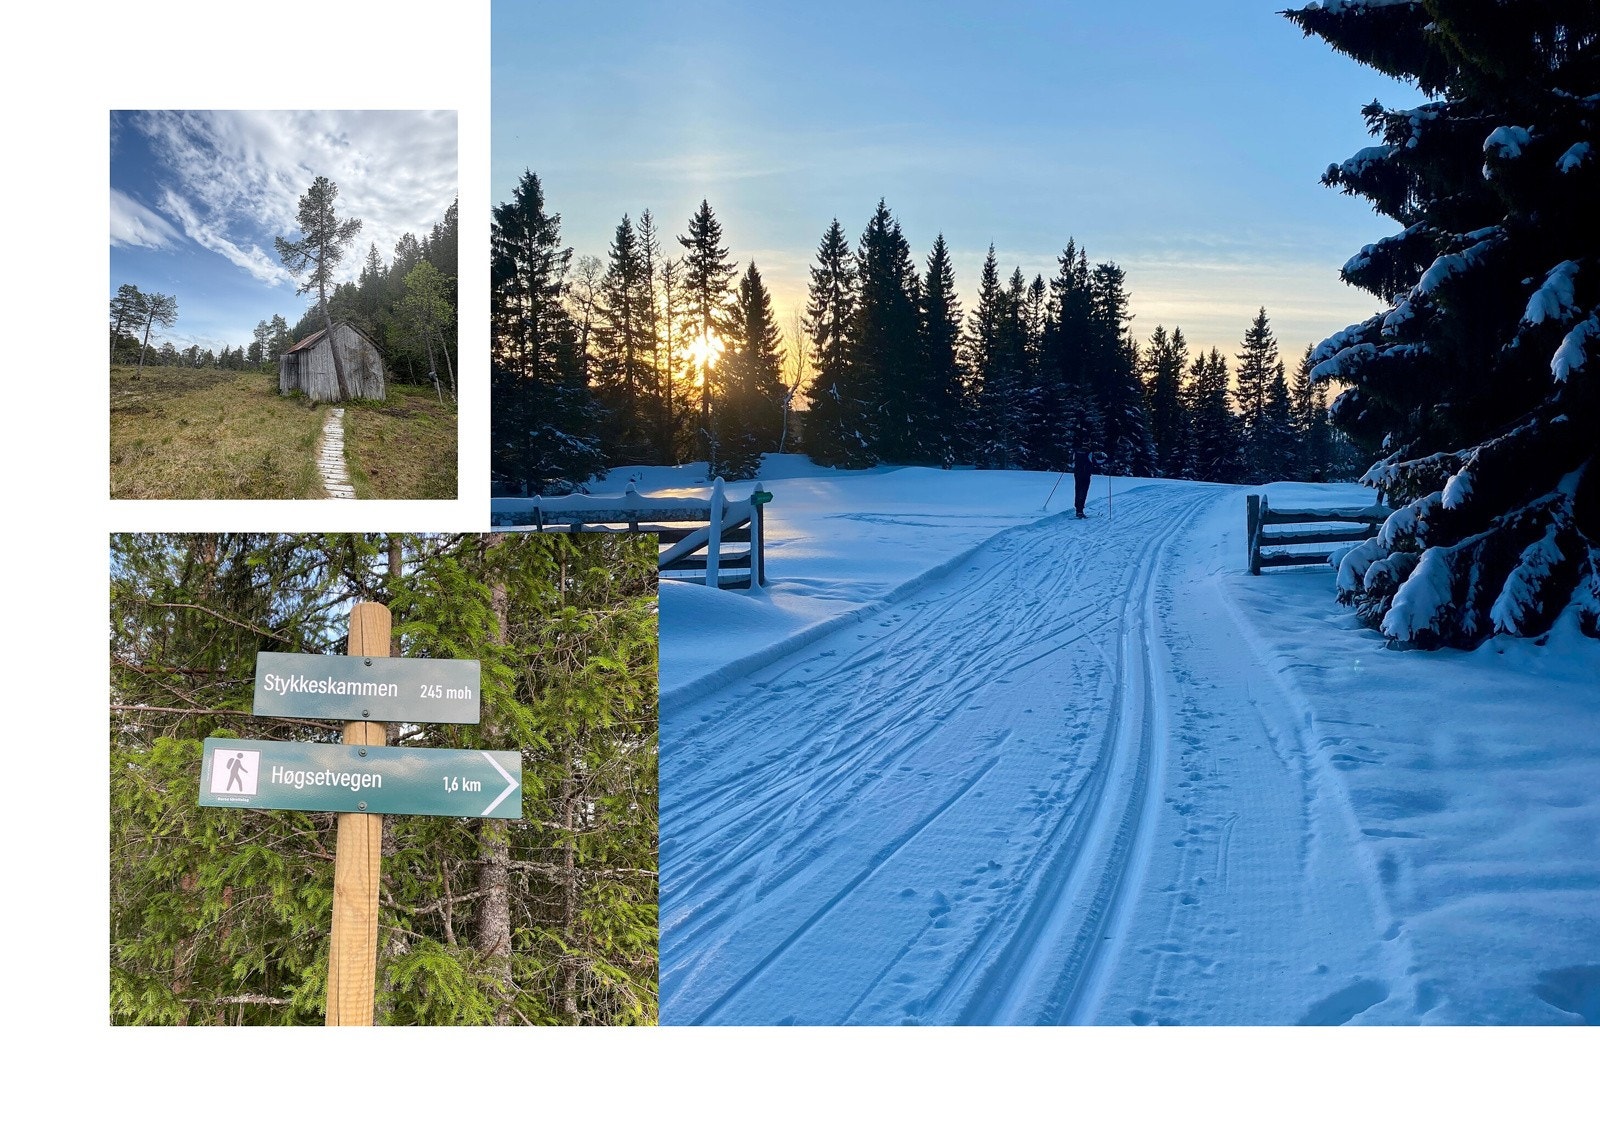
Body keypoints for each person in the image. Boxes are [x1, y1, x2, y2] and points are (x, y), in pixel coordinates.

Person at [1072, 448, 1107, 518]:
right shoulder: (1089, 453)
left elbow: (1072, 461)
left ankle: (1078, 509)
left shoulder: (1076, 451)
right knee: (1084, 491)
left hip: (1077, 473)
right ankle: (1080, 510)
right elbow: (1096, 462)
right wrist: (1107, 460)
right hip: (1086, 474)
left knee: (1078, 490)